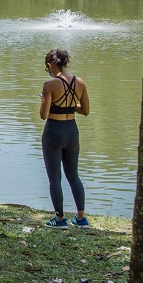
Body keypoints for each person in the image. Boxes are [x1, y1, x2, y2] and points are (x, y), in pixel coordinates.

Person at [40, 48, 91, 229]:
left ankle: (60, 219)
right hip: (72, 131)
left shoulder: (50, 84)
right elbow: (85, 111)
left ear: (50, 65)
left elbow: (43, 114)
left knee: (55, 178)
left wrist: (46, 100)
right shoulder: (80, 82)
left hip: (54, 131)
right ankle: (81, 217)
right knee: (74, 176)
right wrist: (70, 103)